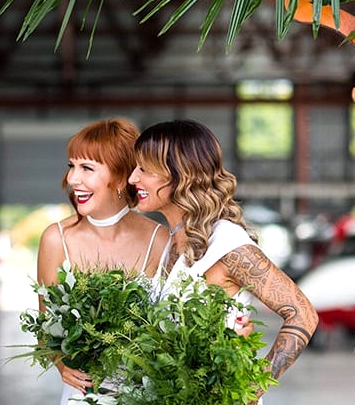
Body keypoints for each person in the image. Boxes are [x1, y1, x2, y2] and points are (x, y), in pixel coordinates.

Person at [129, 119, 319, 402]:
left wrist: (254, 384)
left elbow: (303, 313)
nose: (133, 178)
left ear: (180, 174)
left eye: (144, 169)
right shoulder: (172, 241)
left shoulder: (226, 241)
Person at [37, 118, 172, 404]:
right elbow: (44, 328)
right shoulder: (55, 239)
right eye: (71, 166)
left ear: (123, 177)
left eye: (87, 168)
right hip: (82, 397)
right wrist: (63, 365)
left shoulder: (160, 240)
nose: (73, 179)